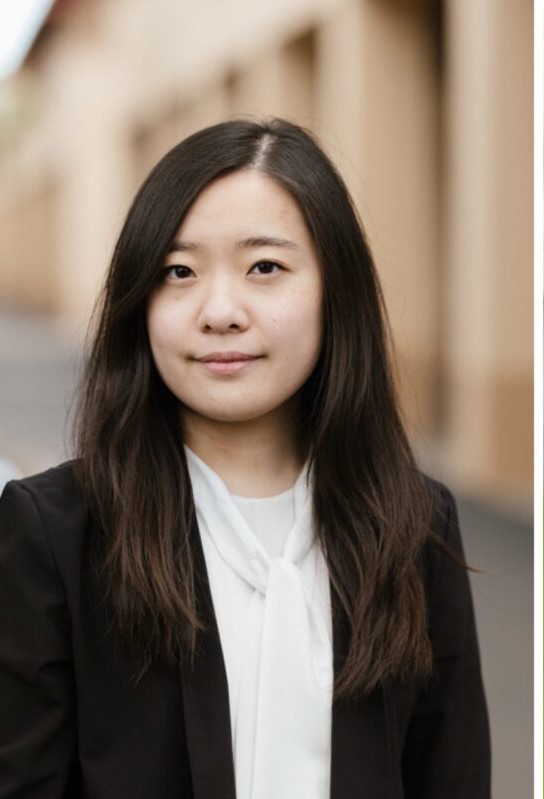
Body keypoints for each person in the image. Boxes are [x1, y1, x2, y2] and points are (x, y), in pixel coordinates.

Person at [0, 118, 490, 798]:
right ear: (140, 301)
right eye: (179, 272)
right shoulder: (55, 532)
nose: (220, 310)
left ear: (333, 290)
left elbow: (449, 775)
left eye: (265, 267)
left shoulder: (412, 521)